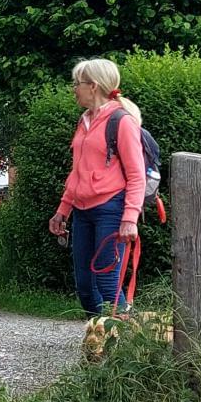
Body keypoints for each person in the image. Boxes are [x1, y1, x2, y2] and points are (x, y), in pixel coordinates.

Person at [48, 58, 147, 315]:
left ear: (93, 86)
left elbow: (137, 175)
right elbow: (77, 173)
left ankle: (122, 333)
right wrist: (63, 211)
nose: (74, 89)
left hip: (111, 209)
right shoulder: (84, 121)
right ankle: (98, 332)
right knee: (85, 286)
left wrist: (130, 218)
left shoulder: (121, 121)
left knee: (107, 281)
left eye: (77, 83)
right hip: (82, 211)